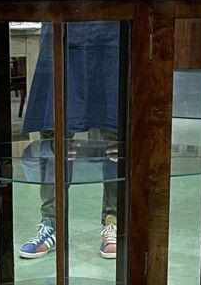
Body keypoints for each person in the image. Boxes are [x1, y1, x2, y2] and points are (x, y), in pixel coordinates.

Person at [17, 21, 122, 259]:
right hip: (61, 22)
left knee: (116, 126)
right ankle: (51, 223)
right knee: (54, 126)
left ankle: (114, 220)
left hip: (111, 22)